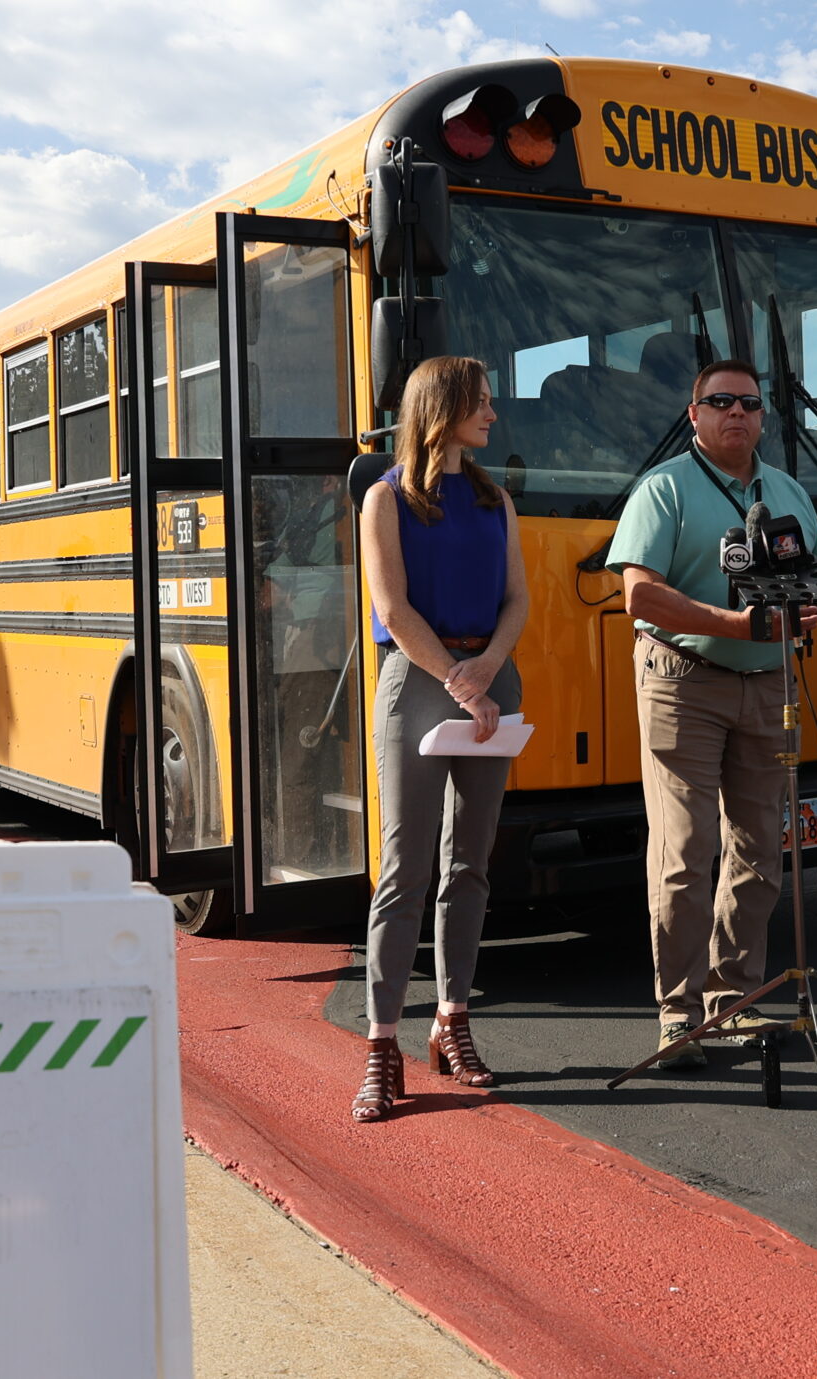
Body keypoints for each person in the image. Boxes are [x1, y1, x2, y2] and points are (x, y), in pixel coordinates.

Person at [605, 358, 817, 1070]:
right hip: (682, 681)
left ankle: (733, 1000)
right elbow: (641, 597)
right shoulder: (661, 490)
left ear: (763, 417)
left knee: (761, 852)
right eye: (720, 401)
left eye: (750, 403)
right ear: (693, 414)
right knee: (686, 855)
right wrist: (740, 625)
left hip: (768, 687)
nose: (737, 412)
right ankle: (679, 1015)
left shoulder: (785, 491)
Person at [352, 356, 531, 1122]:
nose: (492, 414)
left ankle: (453, 1018)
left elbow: (517, 597)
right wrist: (461, 676)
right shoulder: (385, 499)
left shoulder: (496, 498)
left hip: (491, 677)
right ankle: (381, 1044)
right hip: (418, 680)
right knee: (404, 867)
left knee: (471, 862)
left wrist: (489, 665)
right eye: (480, 402)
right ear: (442, 409)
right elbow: (391, 605)